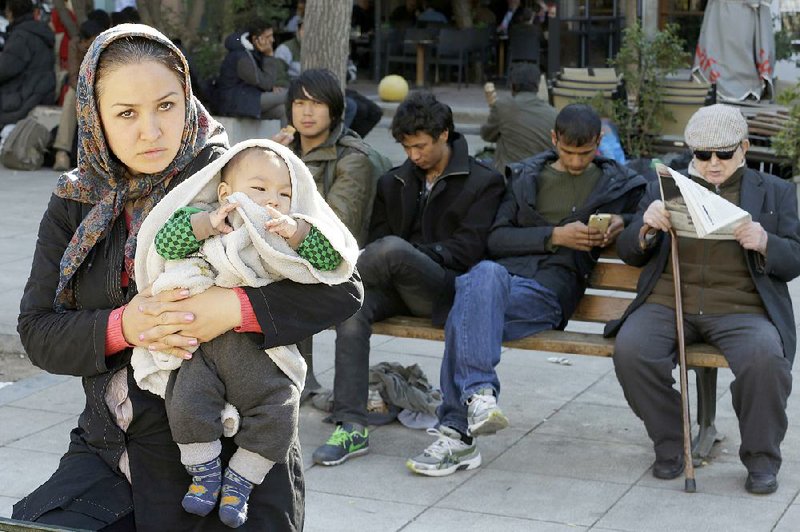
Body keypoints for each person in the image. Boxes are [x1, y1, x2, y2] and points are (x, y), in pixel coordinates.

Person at [12, 23, 362, 531]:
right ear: (95, 116)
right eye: (126, 113)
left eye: (166, 106)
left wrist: (234, 309)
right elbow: (39, 331)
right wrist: (125, 327)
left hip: (232, 440)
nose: (151, 131)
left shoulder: (232, 176)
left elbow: (344, 286)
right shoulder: (76, 200)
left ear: (188, 98)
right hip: (115, 443)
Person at [407, 103, 646, 476]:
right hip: (501, 281)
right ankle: (478, 398)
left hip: (551, 290)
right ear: (554, 140)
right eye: (568, 152)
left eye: (585, 153)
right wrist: (554, 236)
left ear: (599, 142)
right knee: (480, 279)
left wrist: (622, 221)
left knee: (465, 309)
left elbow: (650, 218)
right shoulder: (524, 177)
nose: (577, 161)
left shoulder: (620, 183)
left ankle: (458, 428)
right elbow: (496, 238)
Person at [134, 140, 357, 528]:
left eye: (284, 193)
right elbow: (164, 242)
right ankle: (204, 477)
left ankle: (240, 482)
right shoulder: (204, 218)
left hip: (262, 356)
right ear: (225, 193)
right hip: (203, 351)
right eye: (258, 189)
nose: (272, 200)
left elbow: (333, 264)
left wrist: (298, 232)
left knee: (282, 413)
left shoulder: (285, 235)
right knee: (185, 402)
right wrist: (205, 225)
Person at [607, 104, 800, 495]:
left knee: (765, 360)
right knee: (631, 351)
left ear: (744, 147)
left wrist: (766, 242)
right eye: (702, 155)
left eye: (724, 154)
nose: (713, 164)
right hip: (668, 299)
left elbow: (795, 257)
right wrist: (645, 227)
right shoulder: (665, 184)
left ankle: (762, 459)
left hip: (740, 307)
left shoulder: (776, 191)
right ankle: (671, 442)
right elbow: (630, 249)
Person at [312, 91, 506, 466]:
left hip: (448, 289)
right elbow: (378, 239)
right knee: (354, 308)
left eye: (421, 146)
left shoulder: (484, 182)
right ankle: (351, 425)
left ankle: (320, 288)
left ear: (444, 134)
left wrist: (414, 255)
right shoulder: (395, 181)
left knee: (392, 250)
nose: (414, 155)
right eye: (407, 147)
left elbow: (469, 250)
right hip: (397, 286)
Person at [273, 68, 375, 244]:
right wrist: (267, 157)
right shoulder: (282, 150)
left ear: (334, 110)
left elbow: (337, 228)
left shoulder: (353, 158)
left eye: (317, 103)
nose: (307, 112)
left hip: (324, 256)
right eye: (299, 103)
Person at [53, 16, 109, 171]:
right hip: (81, 88)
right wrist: (84, 89)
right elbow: (73, 76)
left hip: (102, 88)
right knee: (71, 96)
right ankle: (61, 152)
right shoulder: (74, 45)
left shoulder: (104, 46)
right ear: (82, 41)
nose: (90, 45)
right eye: (88, 42)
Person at [480, 63, 557, 172]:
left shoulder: (503, 106)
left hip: (510, 178)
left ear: (512, 85)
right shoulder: (553, 113)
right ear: (538, 85)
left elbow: (486, 134)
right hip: (540, 178)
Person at [216, 18, 287, 124]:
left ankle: (285, 140)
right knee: (290, 94)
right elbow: (266, 83)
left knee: (282, 111)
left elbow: (265, 82)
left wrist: (271, 88)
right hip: (237, 103)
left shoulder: (253, 52)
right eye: (268, 36)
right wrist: (269, 55)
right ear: (255, 39)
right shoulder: (241, 57)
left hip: (250, 100)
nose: (272, 40)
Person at [0, 0, 55, 128]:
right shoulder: (37, 31)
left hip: (23, 96)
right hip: (38, 91)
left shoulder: (21, 36)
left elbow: (4, 69)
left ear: (11, 13)